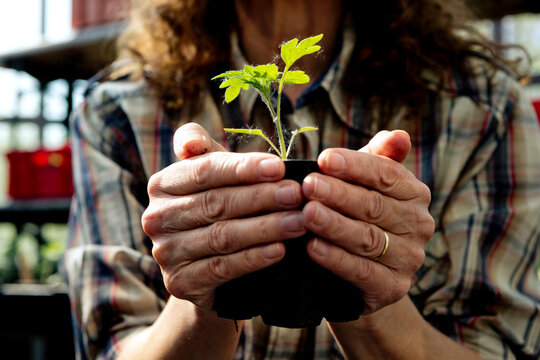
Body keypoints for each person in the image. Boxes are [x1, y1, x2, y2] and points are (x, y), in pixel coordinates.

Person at [62, 0, 540, 358]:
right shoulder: (118, 113)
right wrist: (205, 287)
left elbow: (502, 347)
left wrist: (372, 292)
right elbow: (111, 346)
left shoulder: (482, 108)